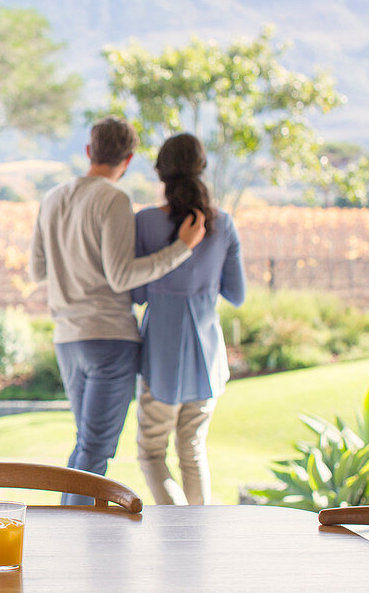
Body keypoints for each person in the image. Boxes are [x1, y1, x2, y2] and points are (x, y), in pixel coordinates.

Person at [29, 117, 206, 505]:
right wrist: (183, 247)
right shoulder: (114, 199)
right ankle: (77, 540)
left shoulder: (52, 197)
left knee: (86, 447)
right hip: (109, 339)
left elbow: (38, 270)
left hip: (67, 340)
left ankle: (70, 531)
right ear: (127, 159)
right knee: (95, 452)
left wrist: (72, 265)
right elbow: (123, 275)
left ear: (90, 151)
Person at [132, 132, 246, 505]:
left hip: (160, 358)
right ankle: (197, 537)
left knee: (151, 454)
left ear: (161, 173)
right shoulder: (223, 225)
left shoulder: (145, 223)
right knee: (193, 452)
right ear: (202, 169)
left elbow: (135, 294)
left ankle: (178, 531)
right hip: (206, 359)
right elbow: (237, 294)